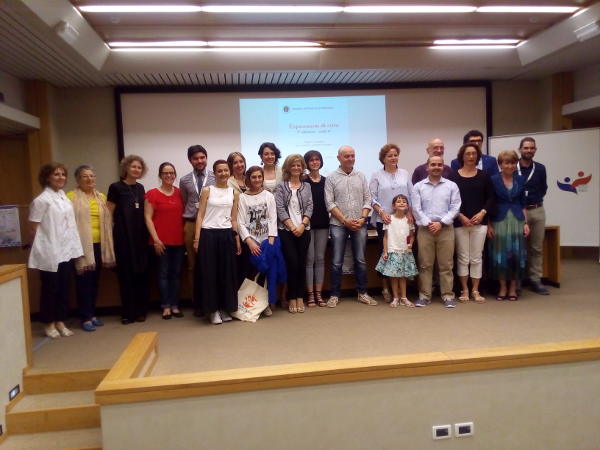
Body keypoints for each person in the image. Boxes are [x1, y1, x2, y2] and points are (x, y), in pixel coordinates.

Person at [29, 163, 83, 338]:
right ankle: (49, 322)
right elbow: (34, 228)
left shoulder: (63, 197)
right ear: (47, 177)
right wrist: (45, 249)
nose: (61, 177)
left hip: (65, 250)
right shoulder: (41, 200)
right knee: (50, 289)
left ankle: (60, 320)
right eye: (56, 174)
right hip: (49, 252)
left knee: (63, 288)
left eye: (63, 174)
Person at [324, 145, 376, 307]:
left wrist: (363, 218)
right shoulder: (331, 177)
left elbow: (368, 199)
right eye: (346, 156)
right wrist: (345, 220)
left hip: (360, 223)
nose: (350, 159)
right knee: (336, 261)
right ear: (339, 158)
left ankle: (362, 293)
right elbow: (329, 203)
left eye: (352, 155)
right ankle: (334, 294)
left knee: (360, 259)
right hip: (338, 224)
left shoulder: (361, 176)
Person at [67, 165, 116, 332]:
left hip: (100, 245)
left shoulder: (101, 197)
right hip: (81, 246)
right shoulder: (71, 197)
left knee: (94, 282)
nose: (90, 179)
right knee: (83, 283)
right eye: (85, 176)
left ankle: (92, 314)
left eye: (92, 176)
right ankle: (85, 317)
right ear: (78, 180)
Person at [193, 160, 242, 324]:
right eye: (219, 171)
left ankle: (225, 308)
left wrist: (237, 239)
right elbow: (200, 215)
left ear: (230, 172)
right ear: (214, 173)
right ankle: (212, 310)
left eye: (226, 170)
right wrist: (197, 238)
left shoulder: (234, 193)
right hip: (208, 235)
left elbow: (233, 219)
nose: (223, 173)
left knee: (226, 274)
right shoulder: (207, 191)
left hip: (226, 235)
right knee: (210, 274)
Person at [411, 155, 461, 308]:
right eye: (433, 164)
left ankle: (447, 295)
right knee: (425, 264)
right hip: (425, 230)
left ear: (443, 167)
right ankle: (424, 296)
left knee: (446, 265)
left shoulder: (452, 186)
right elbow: (416, 208)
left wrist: (441, 223)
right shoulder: (418, 186)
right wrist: (429, 223)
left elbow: (455, 207)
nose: (436, 167)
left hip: (445, 229)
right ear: (427, 167)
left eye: (439, 165)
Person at [107, 155, 150, 324]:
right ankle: (127, 313)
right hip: (123, 237)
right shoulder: (115, 187)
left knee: (141, 274)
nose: (136, 170)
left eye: (139, 167)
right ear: (126, 168)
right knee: (126, 276)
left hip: (140, 237)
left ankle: (141, 311)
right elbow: (108, 214)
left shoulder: (140, 188)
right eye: (133, 167)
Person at [450, 143, 495, 303]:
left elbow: (491, 198)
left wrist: (482, 213)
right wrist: (460, 215)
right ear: (462, 156)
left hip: (479, 223)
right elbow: (450, 200)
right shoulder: (453, 177)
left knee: (476, 258)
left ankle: (475, 290)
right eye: (467, 154)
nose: (471, 156)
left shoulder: (484, 176)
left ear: (477, 156)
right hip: (460, 222)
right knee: (463, 258)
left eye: (474, 154)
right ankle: (464, 290)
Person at [369, 143, 414, 302]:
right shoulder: (376, 175)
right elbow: (371, 197)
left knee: (403, 252)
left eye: (395, 155)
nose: (393, 158)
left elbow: (411, 195)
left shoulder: (405, 173)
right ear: (383, 158)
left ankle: (402, 291)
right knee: (386, 253)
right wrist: (381, 212)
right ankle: (385, 287)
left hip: (403, 220)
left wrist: (410, 213)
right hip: (385, 220)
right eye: (390, 155)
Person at [487, 150, 530, 301]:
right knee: (499, 254)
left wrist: (526, 223)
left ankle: (512, 287)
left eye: (513, 162)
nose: (510, 166)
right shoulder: (493, 180)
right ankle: (502, 287)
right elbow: (490, 203)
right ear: (500, 164)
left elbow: (523, 203)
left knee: (516, 254)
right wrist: (489, 224)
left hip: (517, 220)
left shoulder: (520, 179)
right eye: (506, 163)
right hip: (498, 220)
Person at [144, 162, 185, 320]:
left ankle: (175, 305)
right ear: (160, 175)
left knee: (175, 274)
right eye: (165, 173)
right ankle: (166, 306)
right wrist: (156, 240)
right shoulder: (152, 194)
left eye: (171, 173)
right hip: (160, 242)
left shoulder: (180, 193)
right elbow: (147, 218)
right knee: (163, 274)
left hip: (179, 241)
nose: (169, 175)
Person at [238, 166, 279, 316]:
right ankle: (251, 305)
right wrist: (249, 242)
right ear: (248, 179)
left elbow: (273, 218)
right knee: (251, 273)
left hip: (268, 241)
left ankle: (265, 304)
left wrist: (270, 242)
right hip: (251, 242)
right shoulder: (242, 197)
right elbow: (240, 222)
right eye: (254, 177)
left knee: (266, 273)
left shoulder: (269, 195)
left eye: (259, 177)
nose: (257, 180)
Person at [275, 154, 313, 313]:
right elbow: (280, 208)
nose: (296, 168)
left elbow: (310, 206)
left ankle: (299, 297)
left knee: (301, 264)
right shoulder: (281, 186)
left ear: (302, 167)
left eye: (299, 165)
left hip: (304, 230)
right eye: (293, 165)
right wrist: (292, 226)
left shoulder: (307, 186)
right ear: (288, 167)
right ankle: (291, 297)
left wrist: (302, 225)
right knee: (292, 263)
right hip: (286, 231)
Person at [179, 145, 215, 304]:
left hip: (211, 224)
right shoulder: (184, 180)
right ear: (190, 160)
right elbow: (185, 201)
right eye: (195, 158)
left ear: (206, 158)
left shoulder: (215, 176)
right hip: (192, 225)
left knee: (211, 264)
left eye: (202, 157)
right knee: (193, 265)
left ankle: (211, 300)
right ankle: (197, 302)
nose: (199, 161)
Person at [518, 137, 550, 295]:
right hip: (518, 211)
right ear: (520, 149)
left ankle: (535, 280)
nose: (529, 150)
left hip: (537, 210)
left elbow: (544, 188)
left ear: (535, 150)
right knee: (518, 248)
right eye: (526, 148)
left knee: (536, 248)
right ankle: (517, 280)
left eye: (532, 148)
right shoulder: (512, 166)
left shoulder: (540, 168)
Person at [375, 194, 418, 308]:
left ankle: (404, 297)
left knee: (403, 276)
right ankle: (395, 298)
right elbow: (385, 237)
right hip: (392, 251)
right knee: (393, 276)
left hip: (404, 252)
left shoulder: (409, 220)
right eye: (398, 201)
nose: (402, 203)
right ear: (393, 206)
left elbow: (412, 235)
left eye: (404, 201)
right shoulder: (389, 219)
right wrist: (385, 251)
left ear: (407, 205)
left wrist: (410, 244)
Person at [304, 150, 329, 307]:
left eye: (317, 159)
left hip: (323, 224)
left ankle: (319, 294)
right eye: (311, 160)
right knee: (309, 259)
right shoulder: (303, 181)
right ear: (307, 163)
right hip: (307, 224)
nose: (314, 162)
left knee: (320, 258)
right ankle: (310, 294)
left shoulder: (327, 181)